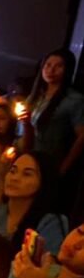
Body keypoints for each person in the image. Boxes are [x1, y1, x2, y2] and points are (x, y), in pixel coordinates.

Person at [22, 48, 84, 204]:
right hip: (29, 158)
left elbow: (82, 136)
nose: (51, 70)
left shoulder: (73, 99)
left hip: (52, 162)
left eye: (58, 66)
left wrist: (63, 168)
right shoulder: (36, 96)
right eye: (48, 65)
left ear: (67, 70)